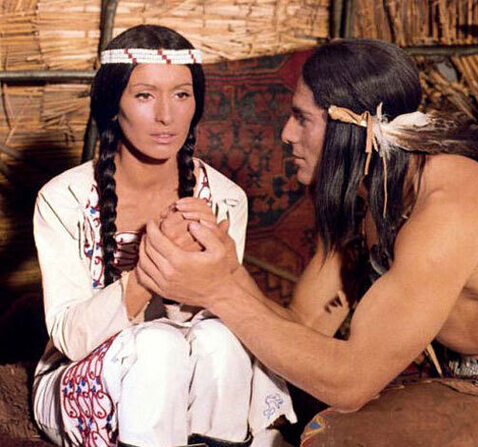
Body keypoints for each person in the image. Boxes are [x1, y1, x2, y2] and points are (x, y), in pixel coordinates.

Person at [136, 39, 478, 446]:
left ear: (352, 128)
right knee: (284, 395)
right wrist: (226, 272)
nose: (287, 134)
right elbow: (304, 328)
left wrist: (219, 292)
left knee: (340, 437)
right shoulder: (367, 198)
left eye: (302, 118)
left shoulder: (448, 210)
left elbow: (350, 382)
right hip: (454, 388)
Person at [32, 24, 293, 447]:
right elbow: (71, 339)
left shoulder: (224, 199)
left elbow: (225, 313)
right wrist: (152, 268)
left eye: (182, 95)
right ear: (112, 105)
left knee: (222, 339)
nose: (166, 116)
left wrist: (208, 265)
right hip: (83, 373)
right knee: (157, 346)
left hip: (192, 374)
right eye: (144, 95)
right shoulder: (64, 199)